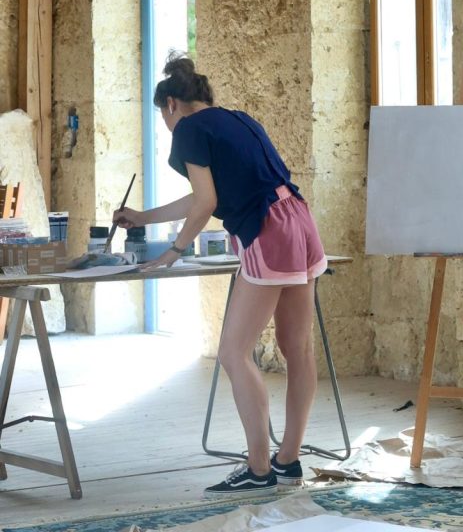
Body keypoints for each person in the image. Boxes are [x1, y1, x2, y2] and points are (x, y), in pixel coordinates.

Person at [113, 53, 327, 495]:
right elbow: (203, 197)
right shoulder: (237, 119)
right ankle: (288, 461)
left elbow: (206, 202)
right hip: (299, 220)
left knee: (233, 352)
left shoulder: (189, 129)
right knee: (298, 348)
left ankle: (258, 469)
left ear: (171, 104)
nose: (166, 127)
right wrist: (144, 217)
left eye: (163, 117)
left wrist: (174, 250)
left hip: (267, 229)